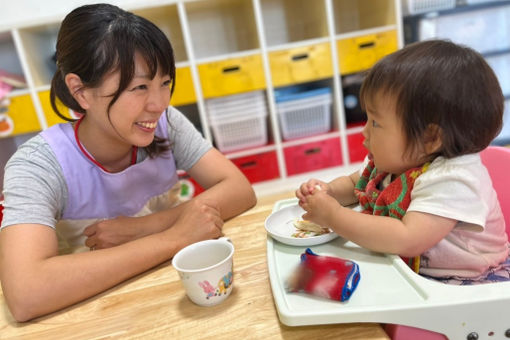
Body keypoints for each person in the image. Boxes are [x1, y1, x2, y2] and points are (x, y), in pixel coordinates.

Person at [0, 3, 256, 322]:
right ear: (80, 92)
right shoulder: (37, 165)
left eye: (165, 83)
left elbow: (239, 189)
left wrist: (142, 228)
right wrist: (174, 237)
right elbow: (26, 292)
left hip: (179, 292)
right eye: (139, 88)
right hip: (108, 313)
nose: (160, 104)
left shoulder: (167, 124)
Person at [296, 39, 510, 284]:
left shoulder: (453, 179)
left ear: (430, 138)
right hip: (411, 271)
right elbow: (355, 183)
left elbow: (406, 239)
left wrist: (333, 216)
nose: (364, 132)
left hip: (471, 282)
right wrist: (328, 192)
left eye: (375, 123)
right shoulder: (397, 161)